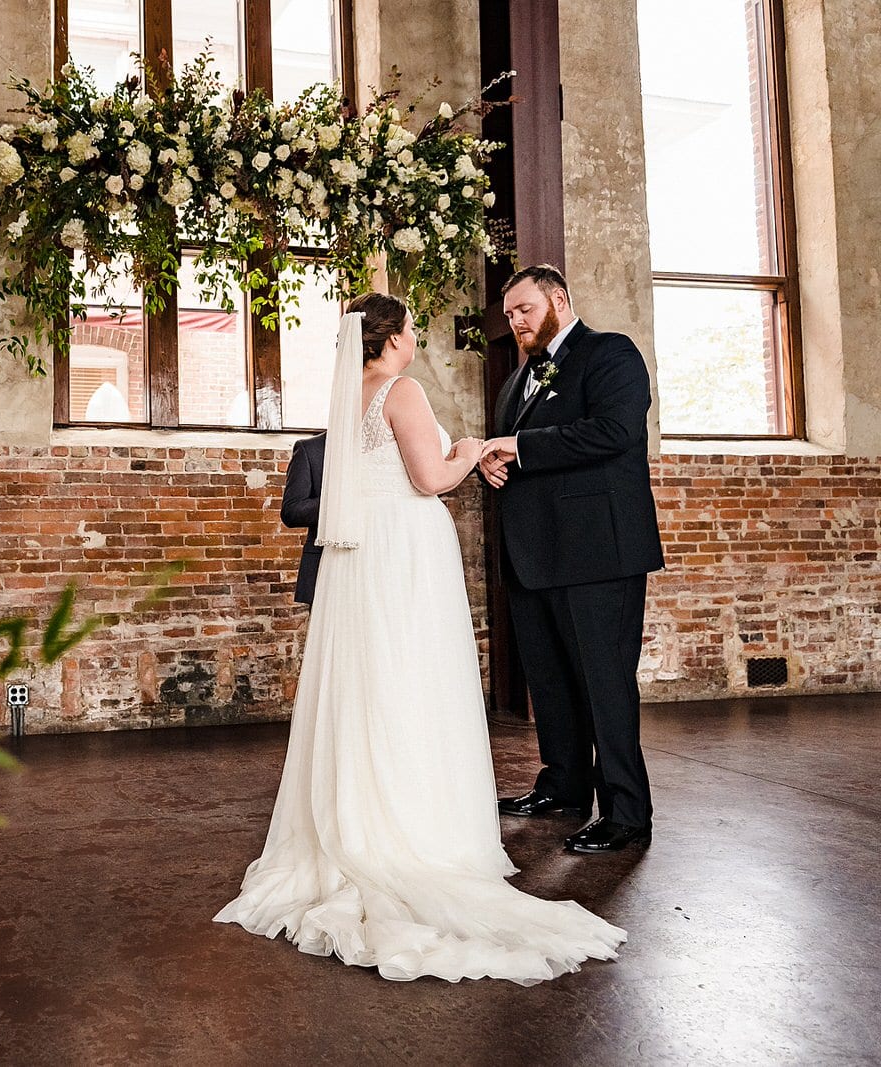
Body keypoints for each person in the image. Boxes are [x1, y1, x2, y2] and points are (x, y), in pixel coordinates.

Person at [215, 292, 625, 984]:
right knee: (412, 684)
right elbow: (430, 478)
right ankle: (414, 831)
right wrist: (468, 450)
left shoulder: (350, 395)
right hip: (404, 550)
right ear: (393, 338)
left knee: (373, 686)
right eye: (410, 327)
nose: (415, 336)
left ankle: (361, 816)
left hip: (364, 556)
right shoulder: (401, 390)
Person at [479, 265, 665, 854]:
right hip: (535, 556)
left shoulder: (610, 354)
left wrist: (520, 446)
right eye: (510, 315)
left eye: (525, 310)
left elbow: (613, 432)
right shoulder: (517, 380)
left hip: (599, 555)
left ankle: (626, 812)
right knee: (551, 682)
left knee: (604, 684)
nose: (516, 323)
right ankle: (563, 786)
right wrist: (493, 461)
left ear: (558, 299)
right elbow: (514, 451)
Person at [280, 431, 326, 606]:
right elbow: (291, 512)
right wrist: (336, 501)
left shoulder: (391, 449)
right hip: (324, 566)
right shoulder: (310, 449)